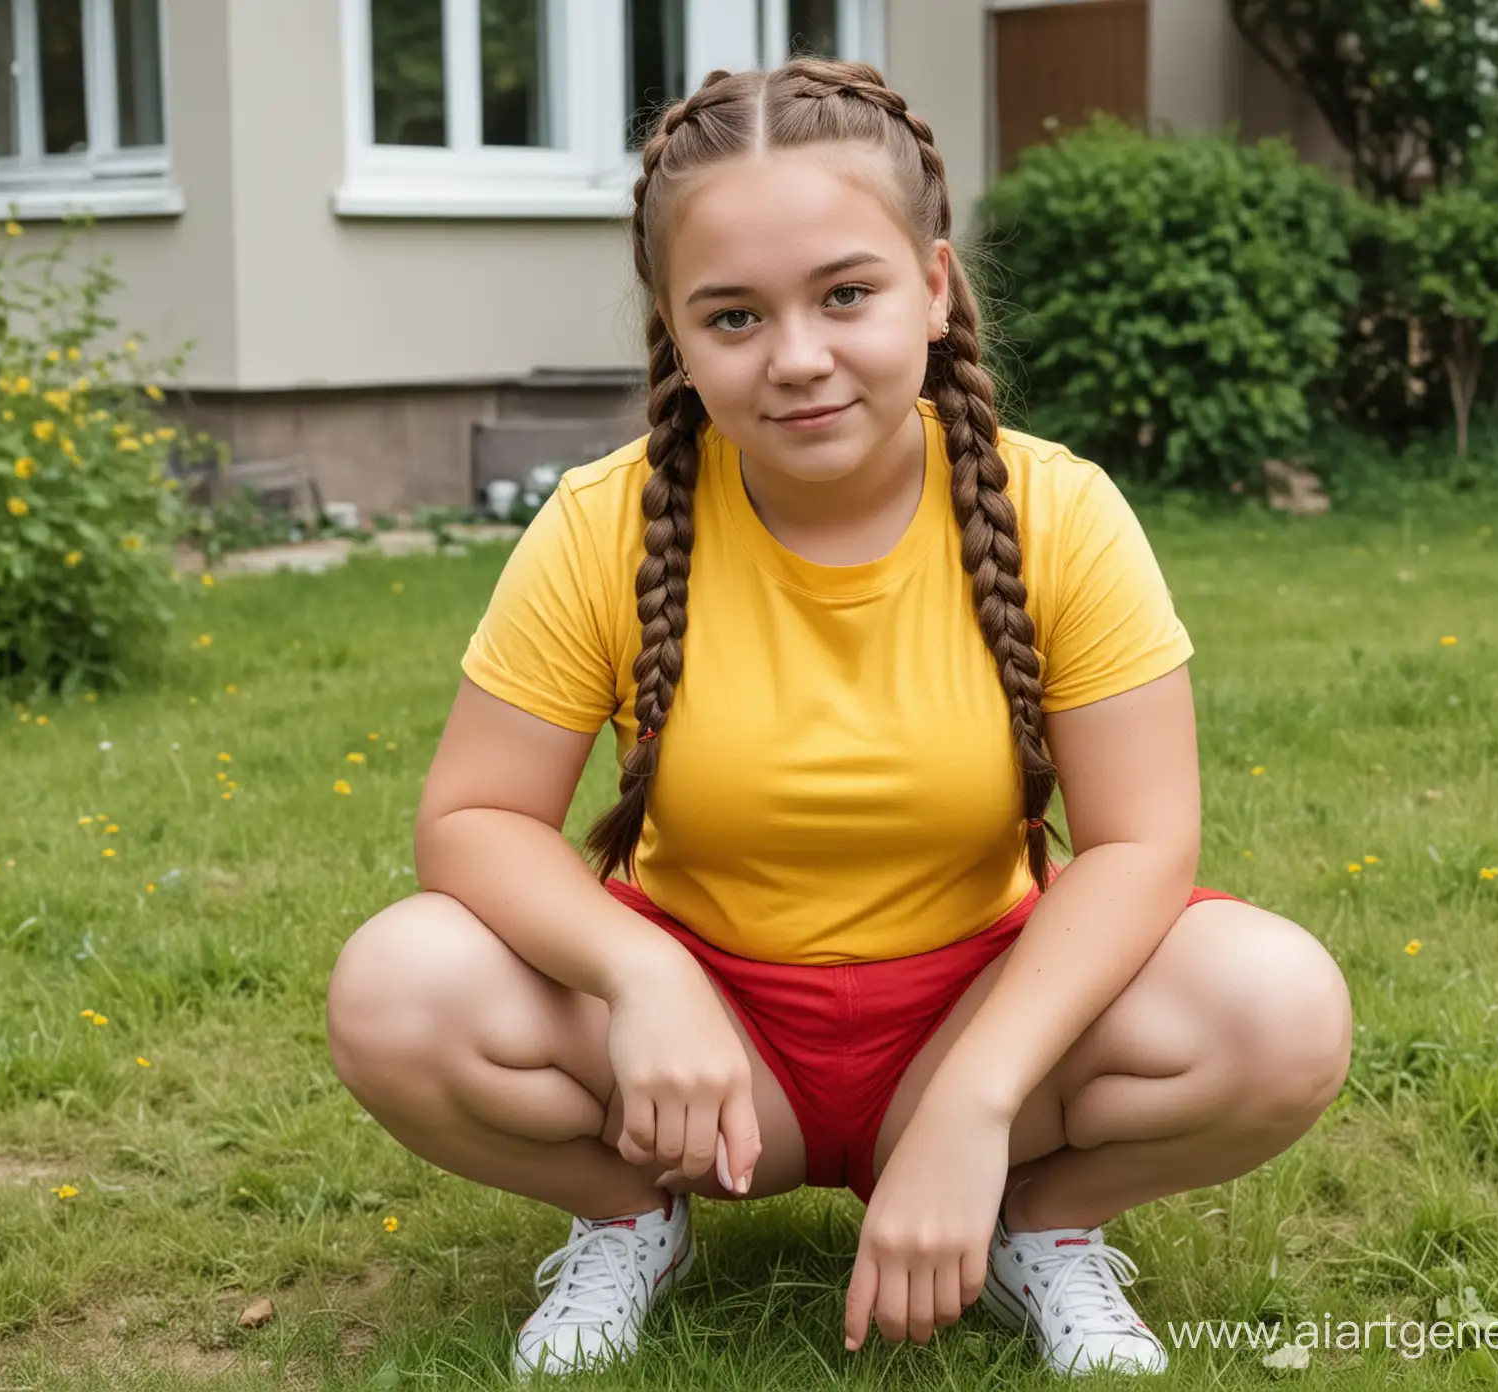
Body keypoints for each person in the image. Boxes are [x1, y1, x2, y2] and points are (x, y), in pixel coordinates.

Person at [325, 58, 1352, 1380]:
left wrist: (981, 1098)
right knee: (398, 988)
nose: (797, 358)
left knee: (1279, 1008)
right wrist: (643, 981)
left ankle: (1036, 1226)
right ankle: (631, 1214)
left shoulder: (1063, 514)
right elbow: (471, 821)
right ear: (676, 334)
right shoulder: (604, 521)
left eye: (847, 295)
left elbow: (1145, 845)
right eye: (734, 316)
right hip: (714, 1051)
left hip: (979, 1021)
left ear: (933, 287)